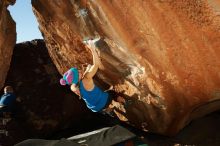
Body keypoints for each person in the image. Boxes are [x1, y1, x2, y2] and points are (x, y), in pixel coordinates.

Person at [60, 40, 127, 114]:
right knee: (112, 93)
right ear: (77, 77)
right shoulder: (87, 78)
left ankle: (108, 111)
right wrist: (92, 48)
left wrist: (87, 69)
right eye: (77, 72)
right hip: (105, 101)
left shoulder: (73, 87)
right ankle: (125, 102)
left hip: (95, 108)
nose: (79, 70)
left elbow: (81, 78)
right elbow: (96, 65)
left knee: (99, 99)